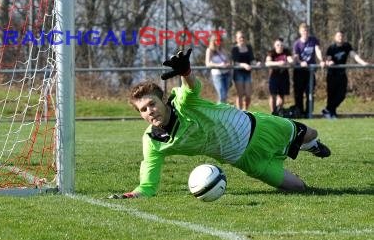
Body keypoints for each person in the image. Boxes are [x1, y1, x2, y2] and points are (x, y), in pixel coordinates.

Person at [108, 49, 331, 199]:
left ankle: (310, 146)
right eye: (143, 110)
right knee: (299, 189)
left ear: (163, 100)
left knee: (311, 133)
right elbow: (148, 184)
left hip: (256, 127)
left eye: (152, 104)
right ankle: (301, 147)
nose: (150, 111)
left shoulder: (183, 104)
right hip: (243, 159)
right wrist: (131, 195)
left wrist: (185, 72)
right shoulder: (153, 141)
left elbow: (191, 88)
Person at [322, 30, 369, 119]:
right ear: (335, 37)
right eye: (339, 36)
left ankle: (327, 110)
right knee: (331, 95)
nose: (340, 38)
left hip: (342, 74)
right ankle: (331, 113)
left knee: (342, 95)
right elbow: (328, 58)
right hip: (332, 75)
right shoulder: (331, 48)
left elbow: (354, 55)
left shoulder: (347, 46)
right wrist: (329, 62)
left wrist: (363, 63)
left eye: (342, 36)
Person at [292, 23, 325, 117]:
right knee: (298, 93)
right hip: (299, 72)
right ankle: (300, 112)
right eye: (303, 30)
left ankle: (308, 112)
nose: (305, 32)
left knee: (310, 92)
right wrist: (301, 62)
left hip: (310, 72)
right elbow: (296, 56)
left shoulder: (313, 40)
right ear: (300, 32)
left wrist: (321, 60)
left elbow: (318, 50)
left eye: (306, 30)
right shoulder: (297, 44)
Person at [231, 30, 259, 110]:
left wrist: (256, 64)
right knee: (240, 94)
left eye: (243, 37)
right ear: (237, 39)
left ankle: (245, 110)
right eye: (240, 37)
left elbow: (252, 59)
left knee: (248, 95)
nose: (242, 39)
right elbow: (235, 62)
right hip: (238, 73)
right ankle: (239, 112)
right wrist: (244, 65)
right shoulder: (235, 49)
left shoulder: (249, 47)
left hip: (247, 73)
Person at [265, 38, 294, 116]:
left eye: (281, 45)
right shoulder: (271, 53)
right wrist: (278, 63)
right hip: (274, 77)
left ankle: (278, 112)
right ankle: (272, 113)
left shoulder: (286, 53)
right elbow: (267, 63)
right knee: (273, 95)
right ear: (274, 46)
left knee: (281, 96)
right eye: (278, 45)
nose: (280, 46)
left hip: (284, 77)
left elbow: (291, 62)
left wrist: (287, 63)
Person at [205, 34, 232, 104]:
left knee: (225, 96)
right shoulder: (209, 50)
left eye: (220, 40)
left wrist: (228, 64)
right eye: (217, 40)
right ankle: (218, 112)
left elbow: (228, 61)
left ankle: (223, 112)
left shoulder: (222, 50)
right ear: (213, 41)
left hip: (227, 74)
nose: (219, 42)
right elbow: (208, 64)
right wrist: (219, 65)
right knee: (221, 95)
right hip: (217, 75)